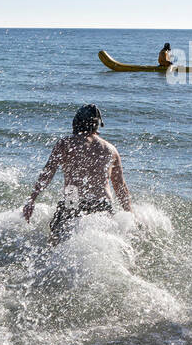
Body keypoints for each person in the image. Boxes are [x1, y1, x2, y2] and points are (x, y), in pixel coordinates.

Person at [22, 104, 133, 244]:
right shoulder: (111, 149)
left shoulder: (66, 143)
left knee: (55, 243)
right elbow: (120, 186)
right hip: (103, 203)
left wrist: (32, 199)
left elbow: (48, 172)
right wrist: (130, 214)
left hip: (73, 201)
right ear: (97, 125)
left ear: (76, 122)